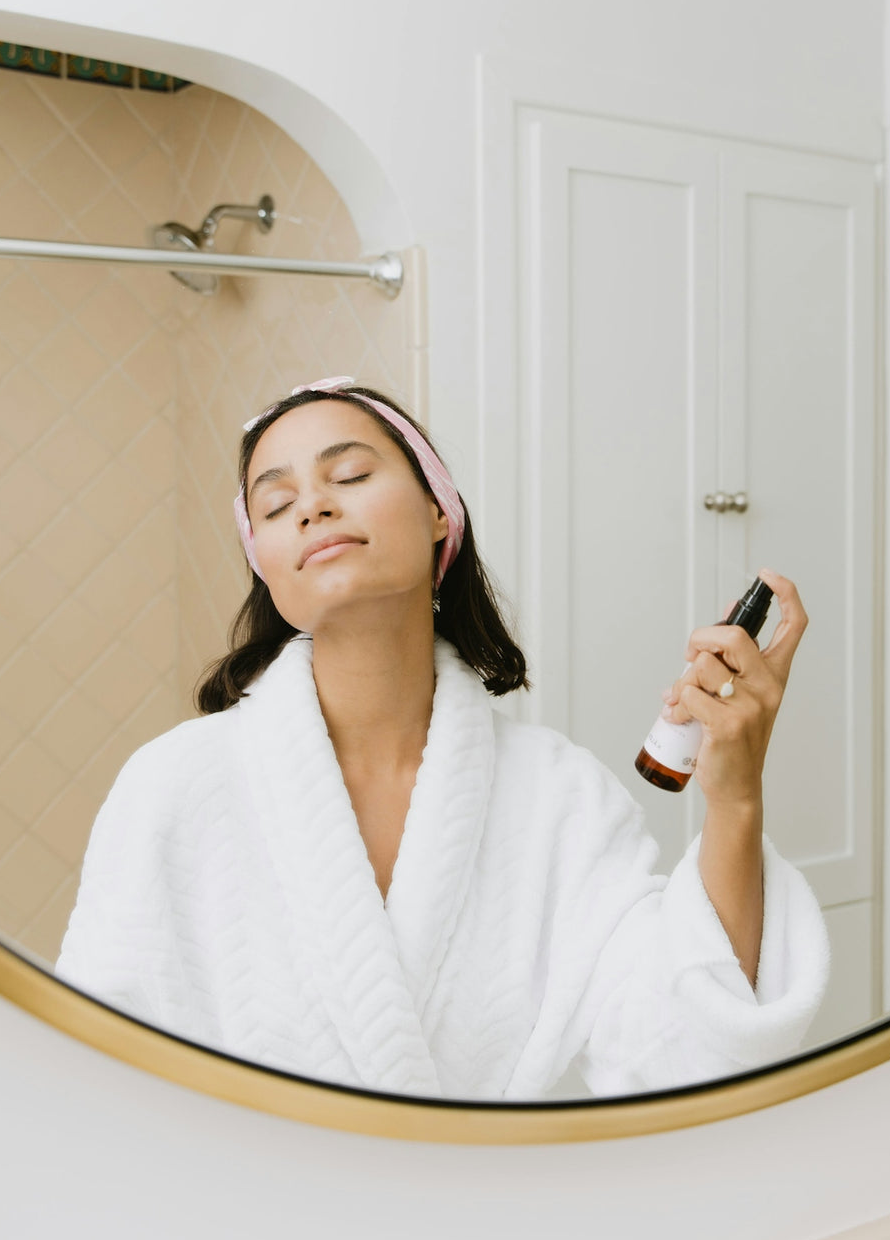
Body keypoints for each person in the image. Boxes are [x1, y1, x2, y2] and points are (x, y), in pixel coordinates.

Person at [55, 376, 828, 1099]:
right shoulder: (173, 788)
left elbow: (683, 1051)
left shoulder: (560, 798)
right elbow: (94, 1086)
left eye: (350, 475)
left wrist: (734, 796)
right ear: (264, 564)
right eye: (276, 500)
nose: (313, 506)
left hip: (483, 1230)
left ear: (438, 512)